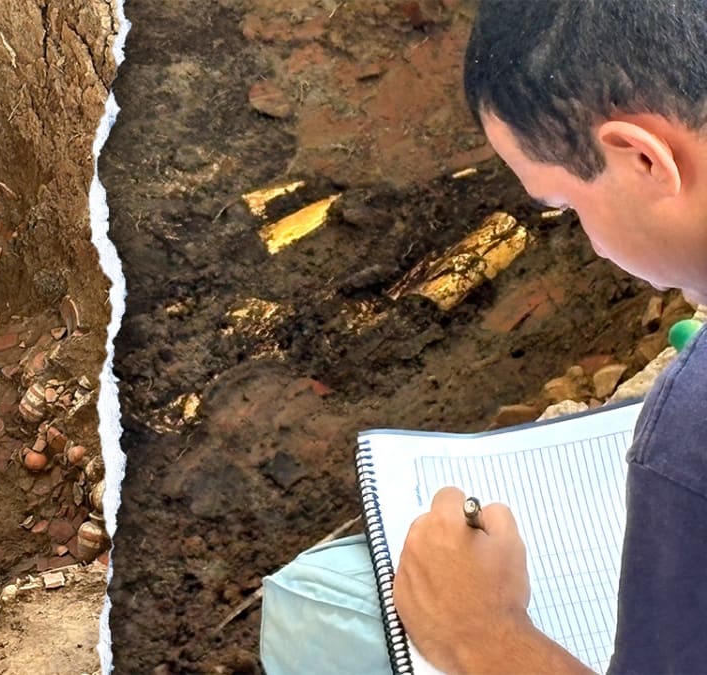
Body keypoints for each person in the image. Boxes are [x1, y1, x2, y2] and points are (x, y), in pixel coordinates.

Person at [262, 1, 707, 672]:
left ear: (644, 160)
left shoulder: (689, 431)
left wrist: (481, 632)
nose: (592, 245)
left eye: (567, 205)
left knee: (327, 604)